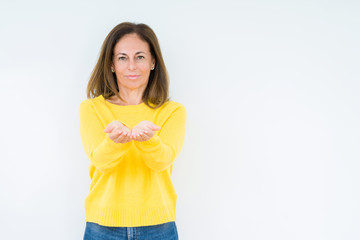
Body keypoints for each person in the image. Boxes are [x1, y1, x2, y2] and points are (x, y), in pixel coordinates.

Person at [78, 22, 186, 240]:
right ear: (111, 64)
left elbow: (162, 161)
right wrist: (116, 141)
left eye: (140, 57)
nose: (132, 67)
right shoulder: (91, 108)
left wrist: (148, 140)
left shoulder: (173, 111)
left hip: (159, 227)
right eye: (122, 58)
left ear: (153, 61)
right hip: (102, 227)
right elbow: (101, 161)